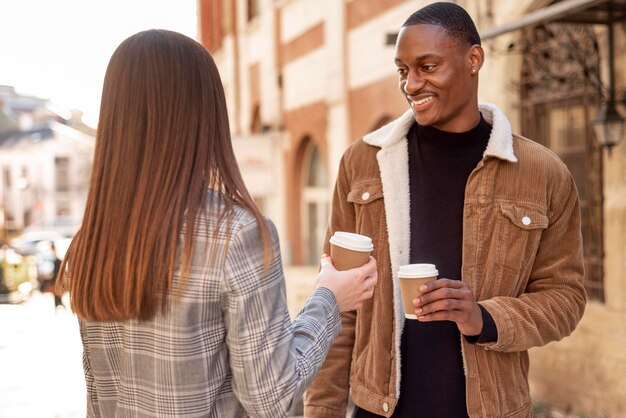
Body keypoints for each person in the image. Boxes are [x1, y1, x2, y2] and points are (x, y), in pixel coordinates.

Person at [56, 29, 378, 418]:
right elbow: (271, 399)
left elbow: (98, 398)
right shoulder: (236, 235)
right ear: (202, 112)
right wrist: (329, 299)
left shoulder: (92, 240)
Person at [304, 3, 586, 418]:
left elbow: (566, 298)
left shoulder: (542, 173)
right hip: (377, 410)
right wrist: (322, 410)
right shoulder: (362, 163)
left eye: (428, 67)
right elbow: (339, 305)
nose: (412, 84)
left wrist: (483, 318)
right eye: (403, 70)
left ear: (474, 60)